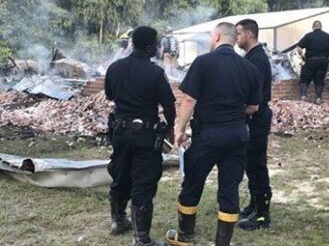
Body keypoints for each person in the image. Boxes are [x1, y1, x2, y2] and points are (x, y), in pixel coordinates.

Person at [166, 22, 261, 246]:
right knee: (229, 189)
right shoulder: (249, 68)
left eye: (211, 37)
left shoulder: (203, 62)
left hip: (208, 135)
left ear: (217, 37)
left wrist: (180, 130)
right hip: (237, 136)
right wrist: (232, 110)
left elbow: (189, 100)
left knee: (192, 183)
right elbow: (254, 107)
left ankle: (184, 237)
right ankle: (222, 243)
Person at [105, 26, 176, 246]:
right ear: (149, 47)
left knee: (120, 174)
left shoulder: (115, 68)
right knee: (144, 182)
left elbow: (109, 95)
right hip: (146, 136)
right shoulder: (155, 73)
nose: (158, 47)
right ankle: (142, 239)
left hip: (120, 132)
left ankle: (118, 221)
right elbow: (169, 105)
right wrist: (171, 126)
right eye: (155, 44)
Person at [235, 19, 274, 231]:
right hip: (252, 117)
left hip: (256, 118)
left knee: (257, 163)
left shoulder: (257, 59)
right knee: (250, 162)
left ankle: (262, 214)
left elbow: (255, 98)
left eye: (239, 33)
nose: (236, 38)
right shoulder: (251, 57)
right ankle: (254, 204)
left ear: (249, 34)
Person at [296, 21, 329, 104]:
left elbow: (299, 47)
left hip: (310, 60)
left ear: (313, 27)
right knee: (319, 79)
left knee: (305, 78)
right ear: (321, 27)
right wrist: (327, 58)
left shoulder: (308, 36)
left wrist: (302, 56)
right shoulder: (328, 36)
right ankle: (318, 98)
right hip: (323, 61)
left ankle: (303, 96)